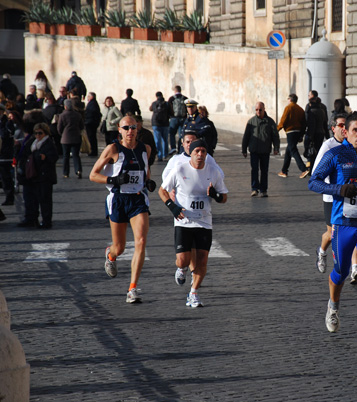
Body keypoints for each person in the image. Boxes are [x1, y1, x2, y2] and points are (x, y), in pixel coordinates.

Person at [308, 111, 357, 341]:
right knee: (341, 272)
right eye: (355, 130)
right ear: (346, 132)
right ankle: (333, 306)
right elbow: (313, 182)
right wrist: (339, 190)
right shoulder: (335, 155)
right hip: (342, 224)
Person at [89, 116, 153, 303]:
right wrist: (113, 180)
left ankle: (132, 289)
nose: (130, 131)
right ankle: (111, 254)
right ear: (119, 129)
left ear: (138, 128)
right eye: (126, 128)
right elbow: (93, 175)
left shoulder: (145, 149)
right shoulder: (113, 149)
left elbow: (145, 170)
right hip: (118, 199)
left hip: (138, 200)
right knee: (121, 247)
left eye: (133, 127)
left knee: (141, 241)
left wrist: (148, 181)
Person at [159, 138, 228, 308]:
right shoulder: (180, 169)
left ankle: (194, 293)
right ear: (191, 152)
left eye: (203, 151)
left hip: (204, 222)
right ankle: (181, 269)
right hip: (184, 221)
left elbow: (224, 197)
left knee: (202, 260)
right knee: (183, 260)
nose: (200, 154)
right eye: (197, 151)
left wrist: (215, 195)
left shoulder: (213, 172)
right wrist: (172, 207)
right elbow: (162, 190)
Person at [313, 113, 357, 284]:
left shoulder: (354, 146)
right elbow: (315, 175)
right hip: (331, 197)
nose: (343, 128)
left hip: (352, 197)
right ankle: (322, 251)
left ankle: (355, 269)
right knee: (331, 233)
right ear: (333, 128)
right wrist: (335, 187)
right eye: (340, 125)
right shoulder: (328, 147)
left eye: (345, 125)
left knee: (355, 229)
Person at [23, 123, 58, 228]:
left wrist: (44, 157)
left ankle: (46, 221)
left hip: (45, 176)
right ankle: (32, 219)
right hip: (34, 175)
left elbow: (53, 157)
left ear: (45, 133)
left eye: (40, 133)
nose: (37, 135)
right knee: (32, 199)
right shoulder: (33, 143)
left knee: (45, 200)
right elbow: (25, 153)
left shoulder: (48, 143)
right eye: (36, 133)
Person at [242, 101, 280, 197]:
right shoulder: (251, 122)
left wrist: (276, 148)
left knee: (264, 171)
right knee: (254, 169)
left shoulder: (270, 121)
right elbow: (246, 136)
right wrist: (244, 149)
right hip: (254, 150)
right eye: (256, 110)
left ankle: (263, 190)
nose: (258, 111)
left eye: (260, 109)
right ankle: (254, 189)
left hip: (265, 150)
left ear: (264, 109)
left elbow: (275, 136)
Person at [15, 109, 46, 227]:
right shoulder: (30, 137)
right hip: (29, 171)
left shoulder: (35, 138)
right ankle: (30, 217)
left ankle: (32, 218)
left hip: (32, 172)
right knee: (29, 196)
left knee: (31, 196)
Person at [277, 94, 309, 178]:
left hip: (290, 132)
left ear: (290, 99)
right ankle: (284, 171)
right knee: (289, 150)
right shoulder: (300, 109)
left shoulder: (288, 108)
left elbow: (283, 120)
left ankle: (303, 169)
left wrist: (276, 129)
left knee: (293, 150)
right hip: (298, 132)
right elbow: (304, 123)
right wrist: (301, 135)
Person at [57, 99, 84, 179]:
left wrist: (62, 134)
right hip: (76, 137)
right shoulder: (78, 115)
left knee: (65, 156)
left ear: (65, 106)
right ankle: (78, 170)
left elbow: (59, 128)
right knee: (76, 155)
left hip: (65, 138)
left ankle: (66, 173)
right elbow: (82, 126)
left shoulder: (62, 115)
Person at [305, 94, 329, 173]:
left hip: (315, 133)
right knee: (318, 151)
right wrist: (327, 135)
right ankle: (318, 168)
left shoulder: (312, 111)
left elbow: (312, 125)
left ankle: (313, 169)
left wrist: (310, 136)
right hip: (321, 133)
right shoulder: (321, 110)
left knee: (313, 153)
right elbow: (325, 123)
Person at [0, 104, 15, 205]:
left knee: (6, 177)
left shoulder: (7, 122)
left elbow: (6, 135)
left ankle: (9, 197)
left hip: (4, 154)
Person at [149, 91, 170, 161]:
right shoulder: (167, 103)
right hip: (165, 123)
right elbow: (171, 112)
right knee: (165, 140)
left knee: (157, 140)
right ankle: (165, 155)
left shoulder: (154, 103)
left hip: (156, 123)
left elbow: (150, 109)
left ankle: (159, 155)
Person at [167, 85, 188, 155]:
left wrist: (169, 116)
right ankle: (180, 148)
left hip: (174, 118)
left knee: (172, 134)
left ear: (175, 91)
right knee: (181, 135)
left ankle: (173, 147)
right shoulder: (185, 98)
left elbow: (169, 108)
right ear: (180, 90)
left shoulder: (171, 98)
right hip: (183, 118)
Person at [84, 92, 102, 157]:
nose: (87, 98)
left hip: (91, 123)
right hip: (91, 122)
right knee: (92, 137)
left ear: (92, 97)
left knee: (92, 138)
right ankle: (93, 150)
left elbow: (92, 113)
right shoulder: (93, 103)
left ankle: (93, 151)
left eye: (88, 96)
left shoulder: (93, 104)